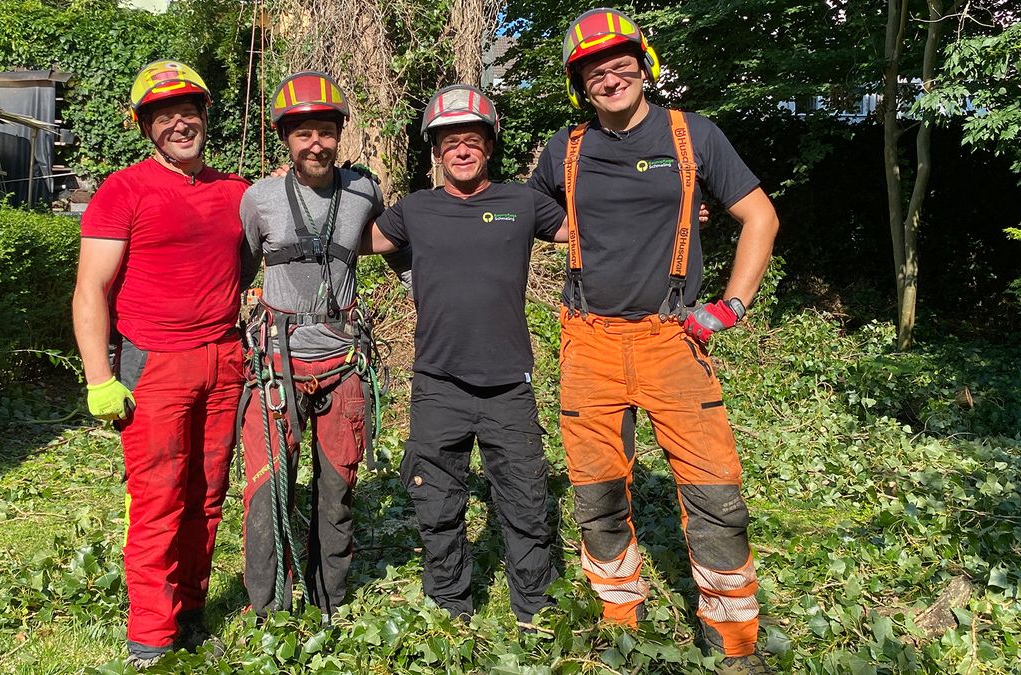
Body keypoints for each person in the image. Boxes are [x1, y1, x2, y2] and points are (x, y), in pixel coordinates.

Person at [527, 8, 780, 672]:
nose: (609, 78)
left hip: (675, 338)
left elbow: (760, 216)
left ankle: (735, 643)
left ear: (645, 64)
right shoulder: (566, 147)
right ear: (578, 84)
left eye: (620, 64)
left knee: (715, 493)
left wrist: (732, 306)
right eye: (594, 71)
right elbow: (537, 210)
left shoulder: (693, 135)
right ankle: (619, 619)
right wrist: (579, 231)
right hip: (588, 340)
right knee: (597, 489)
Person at [361, 85, 563, 624]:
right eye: (450, 143)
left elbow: (596, 231)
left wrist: (683, 209)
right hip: (437, 382)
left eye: (472, 140)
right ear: (435, 152)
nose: (462, 151)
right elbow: (349, 237)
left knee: (524, 502)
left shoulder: (523, 203)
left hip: (508, 385)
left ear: (489, 146)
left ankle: (534, 607)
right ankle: (451, 604)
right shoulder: (414, 211)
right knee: (437, 502)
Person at [72, 60, 249, 669]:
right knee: (158, 498)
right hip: (156, 365)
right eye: (163, 115)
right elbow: (90, 289)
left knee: (208, 493)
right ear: (146, 126)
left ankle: (192, 609)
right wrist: (100, 378)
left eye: (188, 111)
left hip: (226, 358)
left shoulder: (236, 192)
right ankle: (151, 635)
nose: (180, 123)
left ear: (204, 116)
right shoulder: (123, 190)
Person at [238, 71, 405, 620]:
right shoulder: (259, 199)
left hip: (342, 361)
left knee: (337, 490)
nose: (316, 143)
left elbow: (392, 247)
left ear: (339, 134)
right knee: (267, 488)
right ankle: (269, 607)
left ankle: (328, 599)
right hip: (276, 364)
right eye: (304, 132)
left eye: (326, 131)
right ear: (286, 137)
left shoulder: (363, 190)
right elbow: (236, 272)